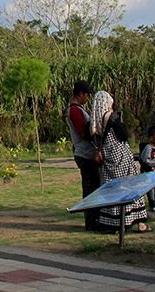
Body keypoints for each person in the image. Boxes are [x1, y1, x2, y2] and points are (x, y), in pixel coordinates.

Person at [91, 90, 149, 232]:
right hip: (121, 156)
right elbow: (123, 135)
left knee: (111, 190)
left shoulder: (95, 120)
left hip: (107, 156)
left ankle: (112, 222)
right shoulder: (111, 117)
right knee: (129, 187)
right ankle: (136, 220)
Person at [64, 80, 98, 231]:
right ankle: (91, 222)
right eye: (87, 95)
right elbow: (83, 132)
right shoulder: (75, 111)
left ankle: (93, 219)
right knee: (90, 188)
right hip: (85, 153)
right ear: (81, 94)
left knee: (92, 187)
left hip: (85, 152)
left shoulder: (77, 109)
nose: (88, 98)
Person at [140, 126, 155, 212]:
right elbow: (145, 159)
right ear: (151, 137)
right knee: (151, 189)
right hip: (148, 172)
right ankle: (152, 204)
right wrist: (154, 163)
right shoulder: (148, 148)